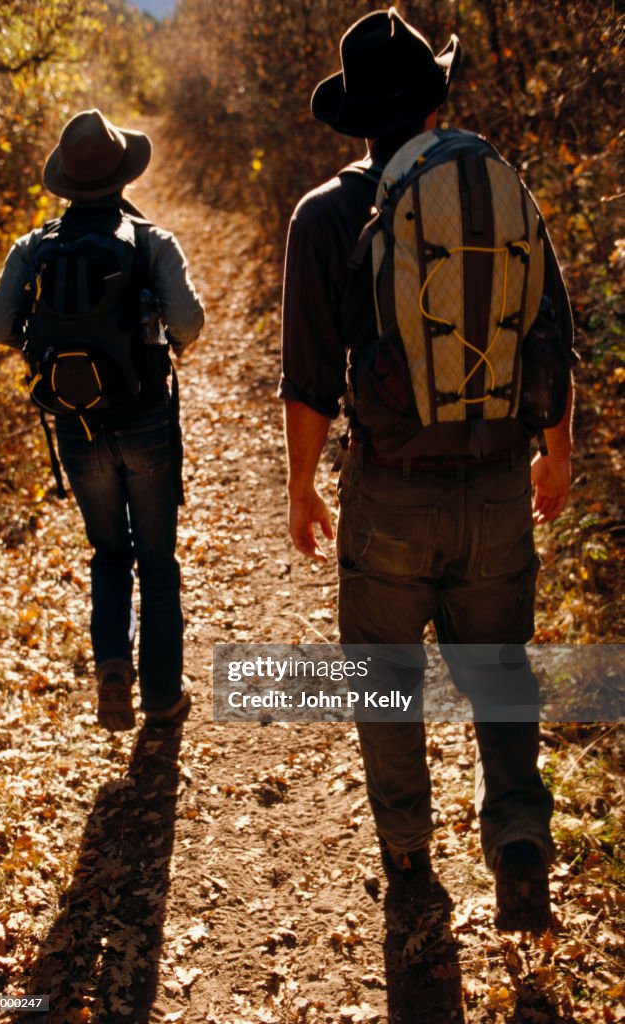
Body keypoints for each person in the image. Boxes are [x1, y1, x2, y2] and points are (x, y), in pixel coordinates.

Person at [280, 9, 576, 932]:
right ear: (435, 97)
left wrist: (301, 486)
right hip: (496, 484)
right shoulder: (497, 191)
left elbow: (308, 375)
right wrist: (555, 455)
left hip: (390, 493)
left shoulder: (327, 214)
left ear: (357, 118)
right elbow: (551, 336)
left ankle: (408, 849)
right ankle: (520, 835)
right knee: (499, 671)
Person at [0, 109, 204, 732]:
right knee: (157, 562)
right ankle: (162, 694)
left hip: (76, 426)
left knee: (110, 553)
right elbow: (188, 323)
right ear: (122, 178)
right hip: (145, 421)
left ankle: (112, 664)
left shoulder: (34, 247)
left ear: (66, 183)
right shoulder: (152, 241)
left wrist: (43, 338)